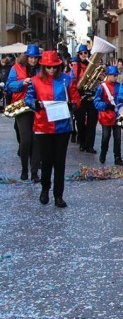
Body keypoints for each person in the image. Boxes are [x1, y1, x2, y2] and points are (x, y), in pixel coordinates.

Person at [25, 51, 78, 208]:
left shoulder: (66, 80)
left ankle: (58, 195)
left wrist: (72, 105)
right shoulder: (35, 81)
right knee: (46, 161)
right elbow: (28, 98)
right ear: (43, 67)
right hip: (43, 127)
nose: (52, 70)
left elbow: (75, 98)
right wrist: (36, 103)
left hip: (62, 127)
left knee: (60, 162)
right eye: (49, 67)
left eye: (54, 67)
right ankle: (45, 189)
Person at [7, 45, 42, 181]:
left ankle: (34, 172)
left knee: (36, 141)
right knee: (26, 140)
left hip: (37, 106)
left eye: (35, 58)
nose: (33, 60)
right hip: (22, 107)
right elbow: (9, 85)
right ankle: (24, 170)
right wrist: (23, 82)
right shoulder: (15, 68)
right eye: (31, 57)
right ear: (26, 57)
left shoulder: (41, 69)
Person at [93, 65, 123, 167]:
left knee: (118, 138)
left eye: (116, 75)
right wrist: (106, 105)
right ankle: (103, 153)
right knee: (105, 137)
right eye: (113, 75)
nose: (115, 77)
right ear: (108, 75)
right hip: (106, 117)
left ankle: (117, 157)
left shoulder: (119, 86)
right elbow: (96, 102)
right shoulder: (102, 87)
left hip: (117, 116)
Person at [71, 44, 98, 154]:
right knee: (80, 122)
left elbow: (99, 80)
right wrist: (76, 97)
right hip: (80, 98)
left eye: (85, 53)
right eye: (81, 53)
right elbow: (72, 83)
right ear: (78, 55)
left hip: (91, 97)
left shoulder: (94, 66)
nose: (83, 55)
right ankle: (82, 143)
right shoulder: (75, 67)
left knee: (92, 122)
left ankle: (90, 145)